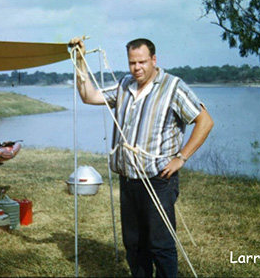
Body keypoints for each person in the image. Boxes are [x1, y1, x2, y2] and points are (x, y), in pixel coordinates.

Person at [69, 37, 214, 277]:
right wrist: (80, 61)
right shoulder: (125, 85)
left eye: (142, 62)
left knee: (160, 244)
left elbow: (205, 121)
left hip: (159, 180)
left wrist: (181, 157)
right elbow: (89, 96)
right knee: (135, 245)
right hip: (129, 180)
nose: (137, 68)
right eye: (132, 63)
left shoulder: (173, 87)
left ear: (154, 60)